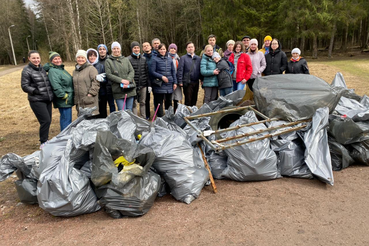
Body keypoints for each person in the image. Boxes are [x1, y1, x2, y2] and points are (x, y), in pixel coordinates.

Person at [21, 50, 54, 148]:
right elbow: (24, 86)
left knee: (48, 120)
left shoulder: (42, 68)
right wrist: (35, 91)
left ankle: (46, 139)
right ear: (29, 58)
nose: (36, 60)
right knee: (45, 120)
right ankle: (43, 142)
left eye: (38, 58)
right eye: (33, 58)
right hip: (37, 100)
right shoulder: (27, 70)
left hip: (47, 99)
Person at [44, 51, 74, 132]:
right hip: (64, 100)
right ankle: (64, 139)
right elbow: (56, 85)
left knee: (67, 119)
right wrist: (64, 96)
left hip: (67, 99)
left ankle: (66, 136)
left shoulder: (60, 69)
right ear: (51, 61)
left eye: (58, 58)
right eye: (55, 59)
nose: (58, 60)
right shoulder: (53, 71)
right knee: (66, 120)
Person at [105, 41, 136, 111]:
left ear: (120, 49)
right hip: (118, 90)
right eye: (114, 48)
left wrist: (128, 80)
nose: (116, 50)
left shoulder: (126, 59)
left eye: (117, 48)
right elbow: (109, 74)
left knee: (129, 110)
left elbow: (131, 71)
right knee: (122, 111)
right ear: (112, 50)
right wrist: (121, 81)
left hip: (129, 89)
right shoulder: (108, 61)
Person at [150, 43, 177, 117]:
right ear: (158, 50)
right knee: (159, 102)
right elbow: (152, 72)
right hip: (159, 84)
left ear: (166, 50)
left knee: (168, 102)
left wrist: (175, 82)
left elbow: (173, 71)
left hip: (169, 84)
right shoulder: (155, 59)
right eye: (161, 49)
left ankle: (169, 117)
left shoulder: (169, 59)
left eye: (164, 49)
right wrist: (162, 77)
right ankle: (160, 118)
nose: (162, 51)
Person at [72, 50, 100, 115]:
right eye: (79, 57)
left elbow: (96, 82)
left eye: (82, 58)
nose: (80, 59)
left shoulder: (91, 69)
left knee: (90, 121)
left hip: (89, 101)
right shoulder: (75, 71)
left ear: (85, 59)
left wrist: (91, 94)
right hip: (79, 102)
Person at [128, 41, 149, 118]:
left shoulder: (144, 59)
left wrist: (148, 84)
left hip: (143, 85)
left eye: (137, 48)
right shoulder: (128, 59)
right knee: (134, 103)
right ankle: (135, 119)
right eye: (134, 48)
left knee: (143, 102)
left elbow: (146, 72)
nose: (136, 49)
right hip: (133, 86)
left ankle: (143, 118)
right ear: (132, 49)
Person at [177, 41, 202, 106]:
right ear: (186, 49)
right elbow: (180, 70)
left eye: (192, 47)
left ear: (194, 48)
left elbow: (200, 69)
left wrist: (202, 79)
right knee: (188, 99)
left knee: (195, 98)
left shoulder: (198, 58)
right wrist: (180, 81)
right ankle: (187, 113)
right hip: (187, 82)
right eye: (189, 47)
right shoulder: (183, 58)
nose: (191, 48)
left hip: (196, 81)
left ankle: (193, 112)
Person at [97, 44, 116, 117]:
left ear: (106, 51)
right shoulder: (96, 61)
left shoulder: (110, 60)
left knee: (111, 104)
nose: (102, 51)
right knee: (102, 106)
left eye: (103, 49)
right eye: (100, 49)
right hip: (100, 88)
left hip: (110, 87)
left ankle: (113, 119)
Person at [168, 43, 181, 112]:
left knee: (176, 97)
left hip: (177, 81)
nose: (172, 50)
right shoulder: (166, 58)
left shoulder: (178, 58)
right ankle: (169, 111)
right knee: (169, 97)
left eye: (174, 48)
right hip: (169, 80)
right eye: (171, 48)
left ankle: (176, 111)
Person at [143, 41, 154, 119]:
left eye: (147, 45)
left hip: (156, 80)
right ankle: (147, 115)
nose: (146, 47)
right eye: (144, 46)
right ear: (143, 48)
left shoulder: (156, 56)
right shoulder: (142, 57)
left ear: (150, 47)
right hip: (146, 81)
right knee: (146, 99)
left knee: (157, 98)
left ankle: (158, 113)